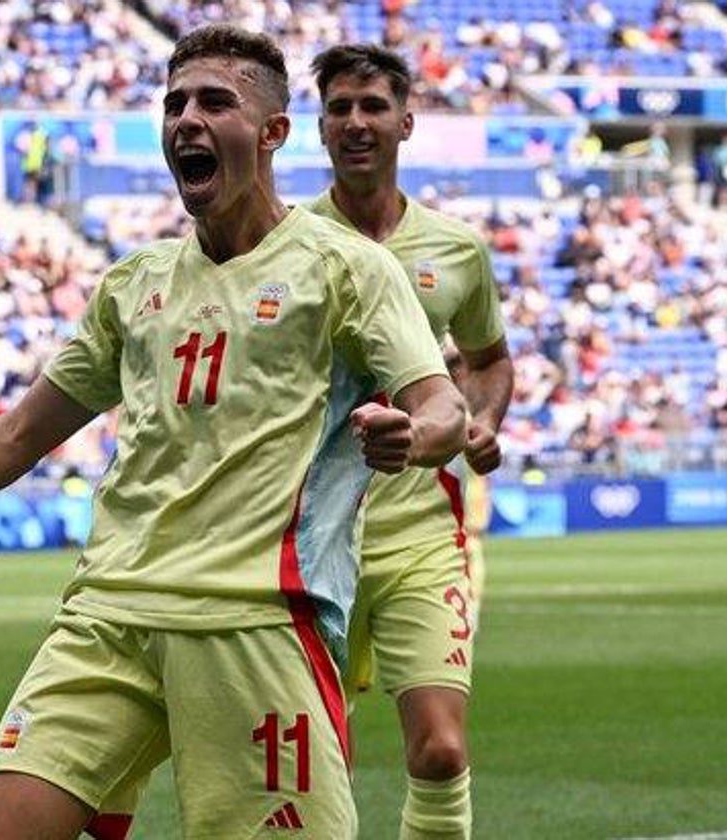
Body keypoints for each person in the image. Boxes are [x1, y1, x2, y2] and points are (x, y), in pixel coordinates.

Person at [0, 25, 468, 840]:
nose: (186, 119)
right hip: (109, 613)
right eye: (174, 104)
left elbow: (442, 404)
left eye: (214, 102)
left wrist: (414, 433)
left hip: (254, 620)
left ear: (272, 133)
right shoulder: (135, 283)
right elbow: (16, 436)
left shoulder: (349, 270)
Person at [307, 44, 515, 839]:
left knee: (439, 750)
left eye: (371, 106)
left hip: (419, 530)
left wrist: (482, 421)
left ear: (405, 121)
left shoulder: (457, 249)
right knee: (308, 759)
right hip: (304, 533)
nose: (356, 122)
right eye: (340, 109)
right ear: (317, 128)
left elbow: (490, 359)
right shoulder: (286, 241)